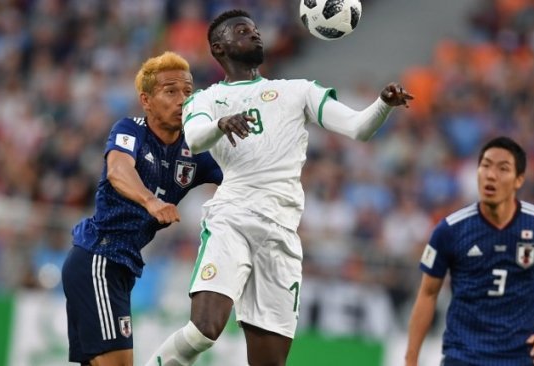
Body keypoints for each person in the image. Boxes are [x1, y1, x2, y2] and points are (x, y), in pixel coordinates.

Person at [144, 9, 413, 366]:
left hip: (282, 236)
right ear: (219, 48)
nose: (254, 35)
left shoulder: (297, 91)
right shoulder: (206, 99)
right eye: (242, 31)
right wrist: (221, 124)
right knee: (204, 329)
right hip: (233, 220)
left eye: (255, 30)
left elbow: (358, 128)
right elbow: (193, 139)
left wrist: (382, 105)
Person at [61, 51, 222, 366]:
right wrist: (151, 200)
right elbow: (118, 171)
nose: (182, 100)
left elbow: (237, 180)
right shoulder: (131, 129)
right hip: (98, 259)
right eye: (171, 91)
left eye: (188, 92)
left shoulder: (196, 151)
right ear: (146, 100)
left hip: (122, 269)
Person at [405, 136, 534, 366]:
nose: (491, 175)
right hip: (463, 357)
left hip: (520, 358)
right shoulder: (450, 230)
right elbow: (428, 293)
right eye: (485, 166)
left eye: (503, 168)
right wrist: (411, 359)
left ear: (519, 180)